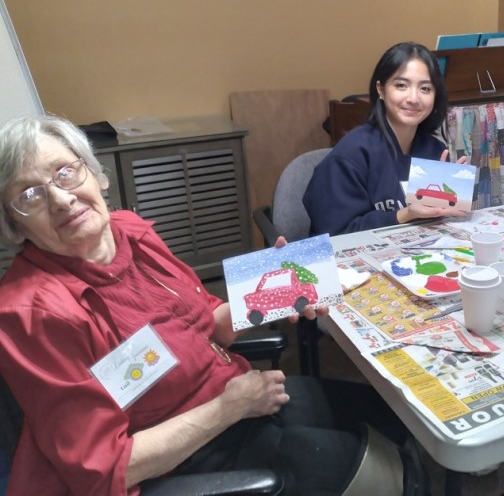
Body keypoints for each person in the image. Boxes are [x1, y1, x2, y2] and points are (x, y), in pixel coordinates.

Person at [0, 114, 427, 495]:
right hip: (183, 455)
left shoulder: (128, 230)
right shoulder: (32, 315)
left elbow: (208, 325)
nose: (61, 199)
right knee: (397, 476)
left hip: (238, 396)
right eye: (30, 196)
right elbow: (107, 468)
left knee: (398, 417)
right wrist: (228, 408)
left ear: (96, 176)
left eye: (65, 173)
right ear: (15, 226)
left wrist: (276, 288)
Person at [304, 41, 465, 236]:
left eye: (425, 89)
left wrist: (456, 193)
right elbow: (336, 234)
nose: (413, 98)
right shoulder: (351, 154)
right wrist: (405, 214)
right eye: (401, 86)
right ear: (380, 89)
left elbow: (437, 220)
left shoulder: (434, 150)